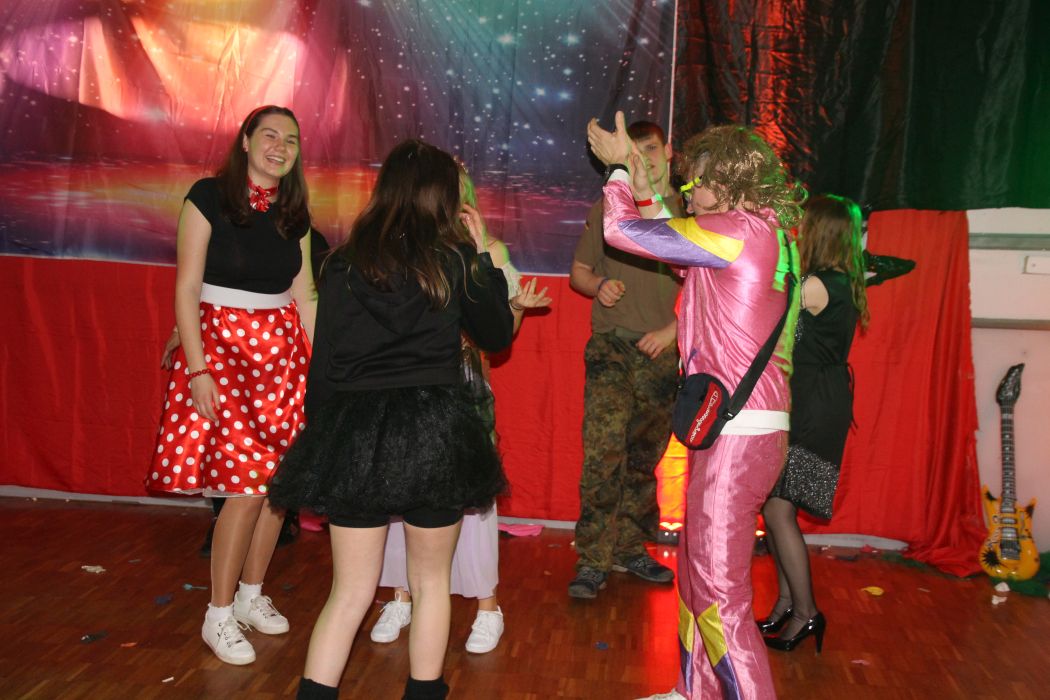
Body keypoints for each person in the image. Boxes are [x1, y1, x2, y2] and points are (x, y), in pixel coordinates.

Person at [267, 139, 515, 700]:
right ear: (441, 197)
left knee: (349, 592)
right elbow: (497, 335)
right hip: (434, 430)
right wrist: (482, 256)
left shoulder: (342, 263)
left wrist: (324, 442)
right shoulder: (453, 260)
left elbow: (325, 363)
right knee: (430, 585)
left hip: (356, 430)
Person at [588, 112, 805, 700]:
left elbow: (623, 232)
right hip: (737, 430)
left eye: (696, 181)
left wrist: (617, 171)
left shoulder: (739, 231)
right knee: (695, 576)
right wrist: (644, 186)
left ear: (729, 181)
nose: (688, 192)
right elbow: (674, 241)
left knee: (720, 597)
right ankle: (695, 692)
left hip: (737, 437)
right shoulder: (762, 232)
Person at [146, 105, 317, 665]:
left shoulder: (295, 211)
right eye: (269, 135)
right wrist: (197, 369)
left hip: (281, 356)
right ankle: (217, 614)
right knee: (243, 489)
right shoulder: (208, 196)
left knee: (276, 490)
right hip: (221, 350)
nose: (280, 146)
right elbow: (187, 286)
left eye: (290, 139)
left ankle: (250, 594)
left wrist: (320, 370)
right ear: (245, 141)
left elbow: (305, 296)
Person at [370, 167, 551, 654]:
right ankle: (401, 596)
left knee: (473, 498)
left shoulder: (487, 250)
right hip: (410, 390)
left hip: (466, 386)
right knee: (403, 490)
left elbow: (499, 335)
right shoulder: (403, 251)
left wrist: (515, 305)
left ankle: (488, 607)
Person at [567, 120, 683, 600]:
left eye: (651, 149)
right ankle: (592, 559)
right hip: (612, 348)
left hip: (662, 354)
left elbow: (713, 289)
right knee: (603, 456)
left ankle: (631, 548)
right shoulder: (609, 207)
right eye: (634, 152)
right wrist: (598, 285)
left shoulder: (691, 213)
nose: (644, 160)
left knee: (643, 459)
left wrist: (674, 331)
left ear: (669, 152)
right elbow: (579, 271)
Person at [758, 195, 869, 652]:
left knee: (777, 508)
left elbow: (765, 300)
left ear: (819, 232)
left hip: (814, 404)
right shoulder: (840, 280)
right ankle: (787, 603)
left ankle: (806, 613)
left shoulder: (818, 285)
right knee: (775, 505)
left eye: (804, 225)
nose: (798, 231)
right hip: (815, 400)